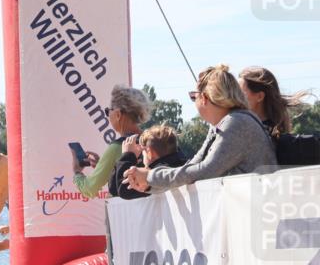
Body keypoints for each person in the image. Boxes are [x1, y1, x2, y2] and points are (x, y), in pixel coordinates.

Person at [125, 64, 277, 193]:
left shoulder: (236, 122)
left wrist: (150, 177)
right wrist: (149, 183)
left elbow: (205, 171)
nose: (194, 101)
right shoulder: (225, 123)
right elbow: (191, 168)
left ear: (204, 98)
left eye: (193, 96)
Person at [72, 85, 151, 198]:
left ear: (118, 114)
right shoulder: (151, 141)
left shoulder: (117, 147)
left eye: (107, 111)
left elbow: (89, 189)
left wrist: (77, 173)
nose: (108, 115)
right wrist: (112, 167)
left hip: (125, 213)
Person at [112, 124, 187, 200]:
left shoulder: (156, 174)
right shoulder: (180, 164)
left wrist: (127, 156)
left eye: (143, 151)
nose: (142, 154)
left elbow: (123, 190)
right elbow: (114, 190)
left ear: (149, 153)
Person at [239, 66, 311, 138]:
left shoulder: (253, 131)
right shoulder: (274, 131)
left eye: (241, 93)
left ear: (260, 97)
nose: (235, 97)